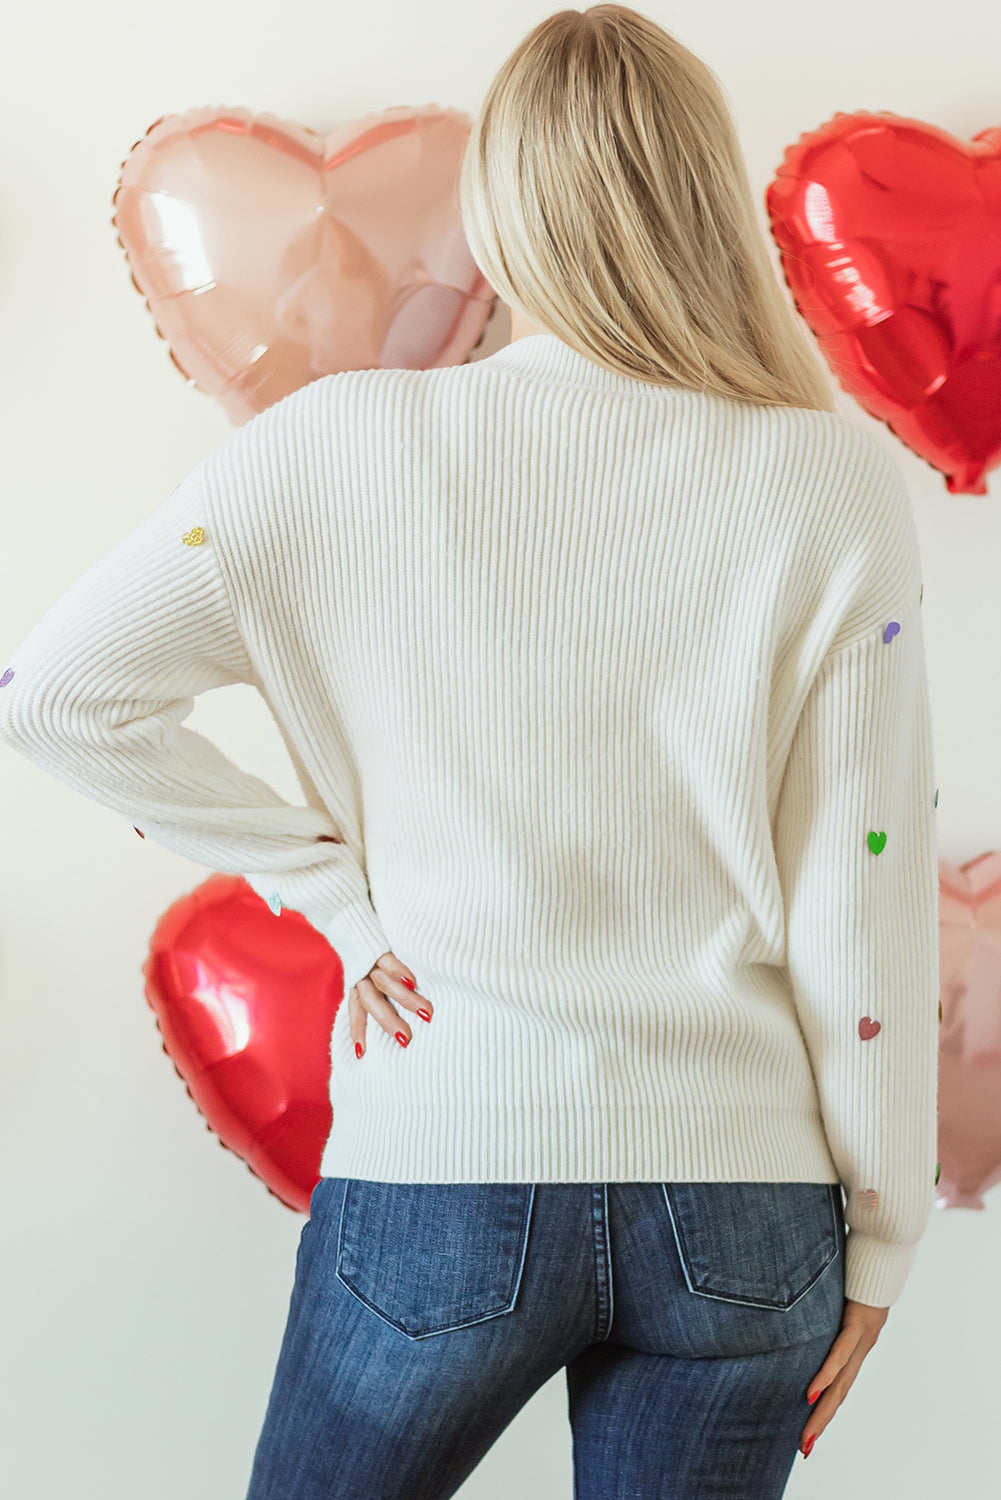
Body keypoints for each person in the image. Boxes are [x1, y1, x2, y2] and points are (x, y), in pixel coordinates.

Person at [0, 5, 939, 1497]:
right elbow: (864, 886)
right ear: (702, 195)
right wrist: (884, 1236)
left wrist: (334, 893)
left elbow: (57, 692)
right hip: (744, 1209)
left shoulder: (329, 450)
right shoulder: (824, 479)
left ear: (496, 204)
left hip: (443, 1168)